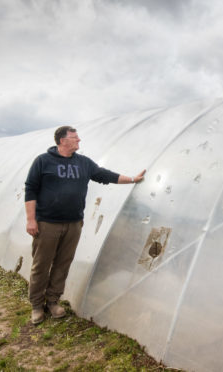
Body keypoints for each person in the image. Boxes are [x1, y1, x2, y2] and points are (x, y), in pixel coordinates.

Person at [24, 125, 145, 324]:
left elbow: (105, 175)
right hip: (47, 224)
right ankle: (37, 305)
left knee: (63, 264)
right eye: (74, 137)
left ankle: (53, 302)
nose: (79, 140)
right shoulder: (43, 161)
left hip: (73, 223)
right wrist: (31, 219)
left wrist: (132, 179)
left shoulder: (83, 163)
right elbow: (31, 189)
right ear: (62, 140)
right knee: (41, 265)